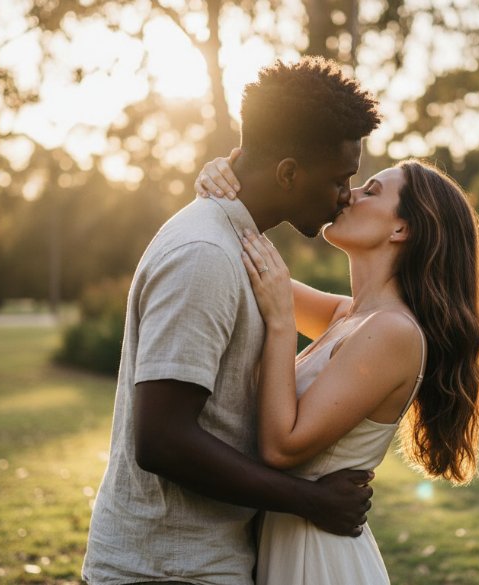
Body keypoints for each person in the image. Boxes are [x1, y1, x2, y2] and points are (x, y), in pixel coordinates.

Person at [81, 57, 382, 585]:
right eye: (340, 179)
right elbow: (161, 439)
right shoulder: (205, 254)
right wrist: (310, 501)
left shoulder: (241, 246)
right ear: (289, 172)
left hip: (201, 562)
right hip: (165, 569)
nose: (345, 195)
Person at [195, 156, 479, 583]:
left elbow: (282, 447)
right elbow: (248, 265)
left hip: (317, 559)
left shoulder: (393, 332)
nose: (347, 194)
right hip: (285, 541)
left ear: (402, 229)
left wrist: (282, 323)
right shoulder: (348, 316)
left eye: (370, 191)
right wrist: (223, 182)